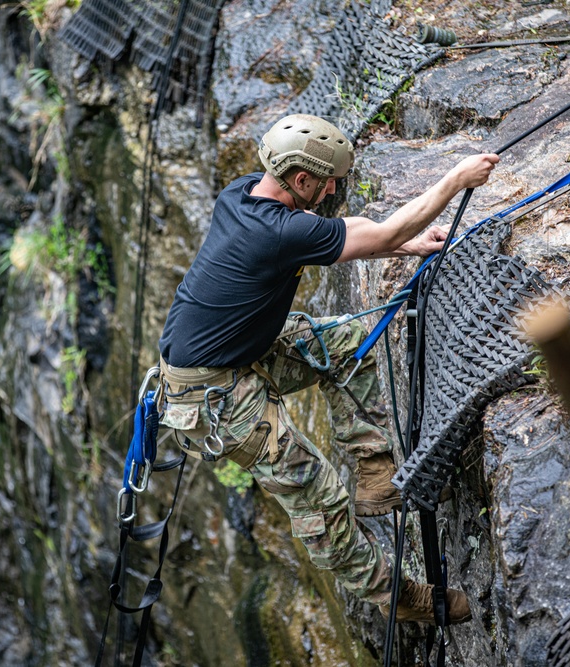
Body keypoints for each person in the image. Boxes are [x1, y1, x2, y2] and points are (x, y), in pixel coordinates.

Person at [156, 114, 498, 623]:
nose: (335, 189)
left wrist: (400, 242)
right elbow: (369, 236)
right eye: (329, 182)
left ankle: (376, 471)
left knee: (344, 344)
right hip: (211, 398)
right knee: (318, 499)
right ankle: (399, 599)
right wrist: (453, 181)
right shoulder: (276, 232)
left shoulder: (245, 192)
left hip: (233, 354)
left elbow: (351, 235)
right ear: (301, 181)